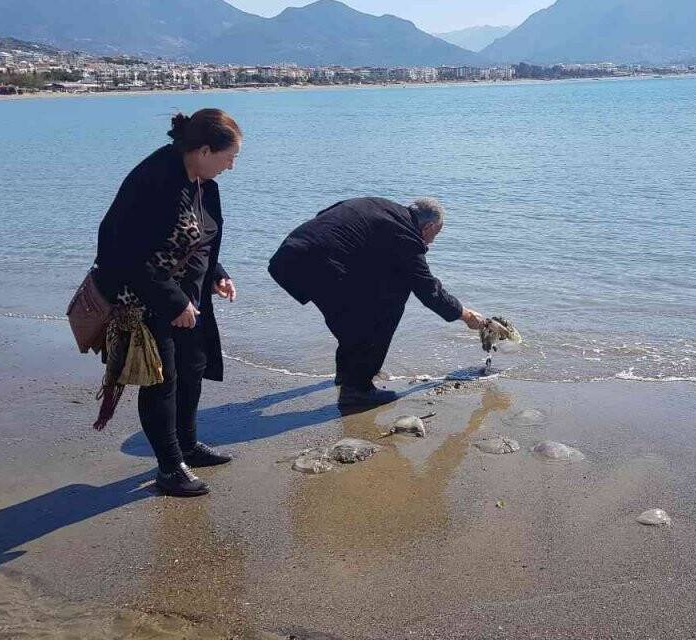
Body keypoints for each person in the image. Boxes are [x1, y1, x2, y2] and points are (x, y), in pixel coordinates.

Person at [92, 108, 242, 497]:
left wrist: (217, 273)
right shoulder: (155, 180)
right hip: (144, 298)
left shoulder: (202, 180)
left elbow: (201, 235)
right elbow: (122, 251)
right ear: (205, 151)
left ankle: (188, 446)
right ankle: (170, 467)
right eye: (229, 157)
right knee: (163, 379)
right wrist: (173, 302)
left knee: (193, 367)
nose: (231, 166)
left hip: (186, 295)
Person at [268, 197, 487, 406]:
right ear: (429, 227)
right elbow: (428, 290)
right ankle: (357, 390)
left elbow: (326, 217)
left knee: (358, 311)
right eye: (435, 234)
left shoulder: (382, 208)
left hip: (290, 255)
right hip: (312, 263)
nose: (432, 241)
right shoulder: (406, 235)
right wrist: (465, 315)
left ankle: (348, 375)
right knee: (382, 309)